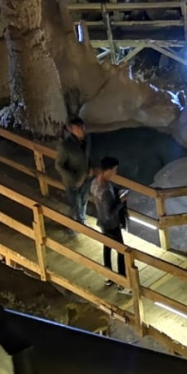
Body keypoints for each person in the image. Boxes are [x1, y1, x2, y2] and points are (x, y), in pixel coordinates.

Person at [90, 156, 130, 294]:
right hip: (111, 225)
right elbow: (110, 212)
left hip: (101, 222)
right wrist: (121, 201)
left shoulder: (95, 183)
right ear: (107, 171)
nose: (115, 173)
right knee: (121, 251)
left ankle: (109, 276)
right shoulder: (106, 190)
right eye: (114, 170)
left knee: (107, 248)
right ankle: (122, 282)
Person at [55, 117, 92, 224]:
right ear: (71, 130)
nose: (81, 131)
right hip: (73, 181)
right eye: (77, 129)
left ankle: (82, 221)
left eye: (82, 127)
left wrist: (89, 170)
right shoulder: (65, 146)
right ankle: (73, 225)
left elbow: (88, 156)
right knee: (75, 204)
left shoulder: (88, 139)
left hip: (85, 177)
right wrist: (75, 180)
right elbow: (59, 165)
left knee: (84, 201)